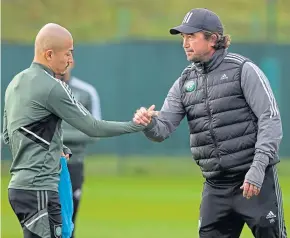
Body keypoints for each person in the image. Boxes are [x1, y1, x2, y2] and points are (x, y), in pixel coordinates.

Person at [133, 8, 287, 238]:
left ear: (213, 39)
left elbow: (271, 119)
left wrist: (256, 170)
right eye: (183, 38)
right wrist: (147, 124)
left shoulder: (243, 69)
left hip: (254, 180)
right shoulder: (185, 81)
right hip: (215, 186)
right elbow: (163, 128)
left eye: (191, 36)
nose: (185, 43)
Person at [3, 23, 145, 238]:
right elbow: (93, 127)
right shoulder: (52, 86)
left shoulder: (15, 83)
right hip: (41, 188)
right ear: (49, 54)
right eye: (67, 53)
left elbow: (8, 135)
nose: (70, 61)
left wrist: (57, 146)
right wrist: (136, 125)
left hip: (18, 189)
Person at [60, 63, 102, 237]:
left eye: (67, 55)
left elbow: (95, 131)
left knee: (69, 223)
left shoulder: (86, 92)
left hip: (73, 164)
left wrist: (55, 137)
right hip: (41, 165)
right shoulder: (37, 90)